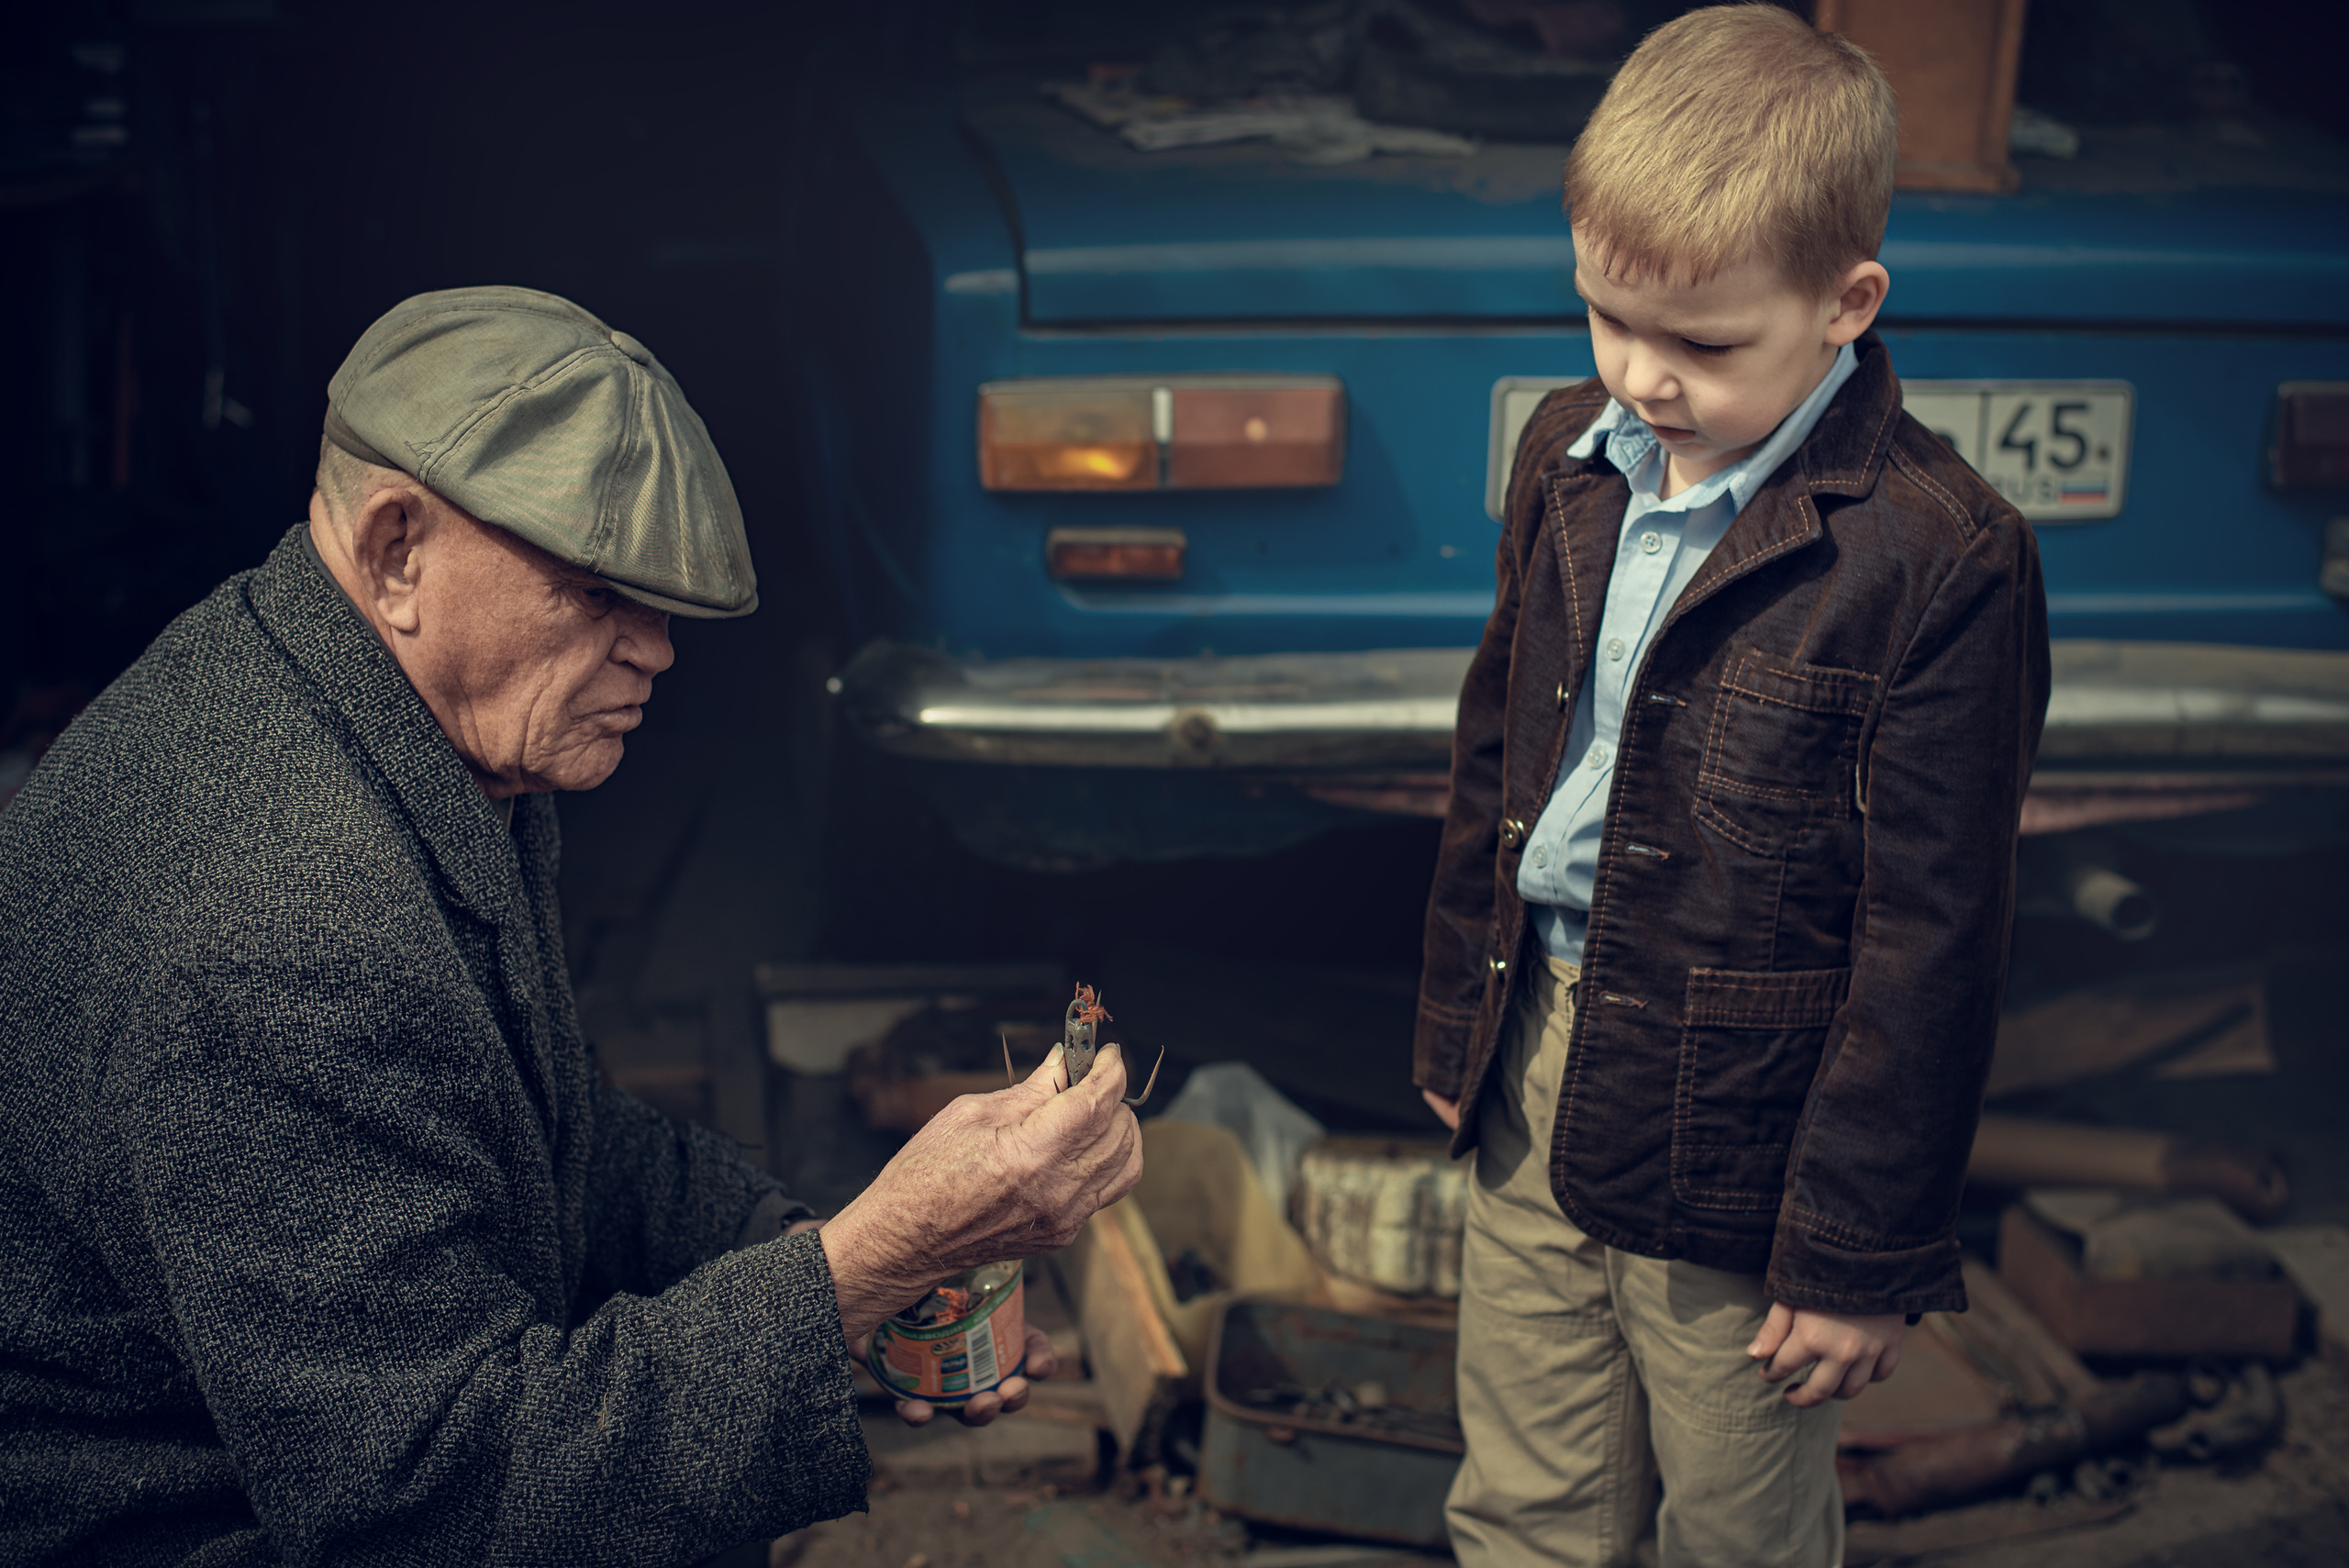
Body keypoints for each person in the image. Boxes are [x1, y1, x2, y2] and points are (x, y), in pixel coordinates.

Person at [0, 286, 1145, 1566]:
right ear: (396, 551)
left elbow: (543, 1136)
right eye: (599, 591)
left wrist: (831, 1260)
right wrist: (852, 1275)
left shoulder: (385, 717)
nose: (653, 651)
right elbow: (438, 1506)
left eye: (661, 606)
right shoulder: (286, 933)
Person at [1412, 10, 2051, 1566]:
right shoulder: (1572, 452)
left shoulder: (1943, 557)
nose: (1643, 378)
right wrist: (1457, 1025)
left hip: (1751, 1136)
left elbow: (1932, 933)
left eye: (1705, 345)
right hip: (1537, 1051)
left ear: (1847, 304)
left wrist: (1857, 1249)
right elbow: (1497, 748)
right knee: (1525, 1501)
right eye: (1605, 319)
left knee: (1736, 1525)